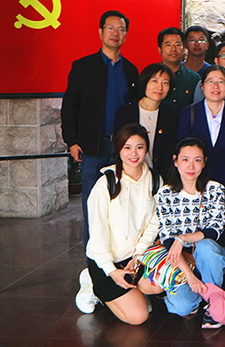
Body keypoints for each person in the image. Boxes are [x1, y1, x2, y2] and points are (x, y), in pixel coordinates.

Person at [62, 10, 139, 245]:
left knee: (122, 203)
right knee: (93, 204)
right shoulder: (83, 67)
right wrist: (72, 141)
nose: (115, 33)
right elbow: (70, 106)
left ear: (126, 34)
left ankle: (119, 255)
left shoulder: (130, 70)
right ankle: (94, 257)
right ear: (100, 32)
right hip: (93, 147)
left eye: (121, 29)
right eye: (110, 28)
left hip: (123, 149)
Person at [139, 137, 225, 329]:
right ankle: (197, 290)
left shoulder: (215, 189)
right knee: (183, 307)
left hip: (211, 256)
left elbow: (215, 230)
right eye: (185, 159)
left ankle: (213, 303)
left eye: (197, 160)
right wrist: (190, 276)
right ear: (175, 161)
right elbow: (167, 240)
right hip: (180, 260)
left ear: (204, 162)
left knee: (205, 246)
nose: (191, 166)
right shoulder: (165, 194)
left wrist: (182, 238)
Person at [75, 124, 158, 325]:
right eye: (127, 147)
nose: (133, 153)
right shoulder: (106, 184)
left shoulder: (155, 180)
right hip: (106, 262)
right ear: (118, 149)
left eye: (139, 147)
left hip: (136, 258)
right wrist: (110, 270)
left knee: (157, 285)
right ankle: (92, 284)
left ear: (146, 149)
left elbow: (155, 222)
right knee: (139, 316)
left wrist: (139, 254)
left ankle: (135, 292)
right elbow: (98, 232)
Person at [178, 65, 225, 260]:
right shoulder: (188, 114)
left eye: (221, 82)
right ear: (202, 86)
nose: (215, 86)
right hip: (194, 181)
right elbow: (183, 150)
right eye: (211, 82)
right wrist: (199, 181)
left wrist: (218, 185)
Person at [114, 63, 178, 182]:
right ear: (145, 83)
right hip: (128, 177)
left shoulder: (171, 115)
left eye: (165, 83)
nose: (160, 87)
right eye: (154, 81)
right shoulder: (124, 113)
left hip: (160, 178)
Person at [158, 27, 201, 110]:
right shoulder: (151, 76)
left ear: (184, 49)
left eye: (178, 45)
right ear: (160, 50)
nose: (173, 49)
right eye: (168, 45)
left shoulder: (194, 78)